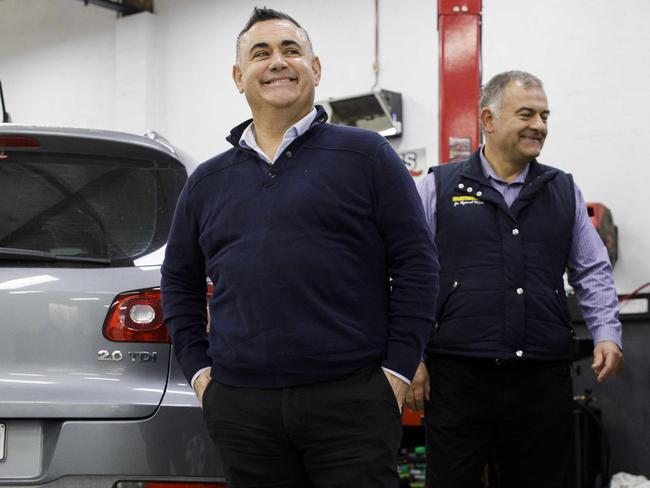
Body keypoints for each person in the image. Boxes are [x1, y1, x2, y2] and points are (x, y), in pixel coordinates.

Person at [160, 7, 439, 488]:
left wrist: (395, 371)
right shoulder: (207, 181)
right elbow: (178, 280)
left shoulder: (368, 156)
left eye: (292, 50)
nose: (277, 62)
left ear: (315, 68)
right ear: (238, 76)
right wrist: (201, 376)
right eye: (260, 53)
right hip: (242, 408)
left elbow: (417, 264)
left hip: (352, 402)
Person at [409, 70, 623, 488]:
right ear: (488, 119)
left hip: (541, 379)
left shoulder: (562, 190)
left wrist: (607, 332)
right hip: (456, 377)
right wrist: (409, 355)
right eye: (526, 114)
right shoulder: (439, 186)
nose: (539, 126)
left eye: (544, 116)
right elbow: (407, 272)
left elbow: (592, 268)